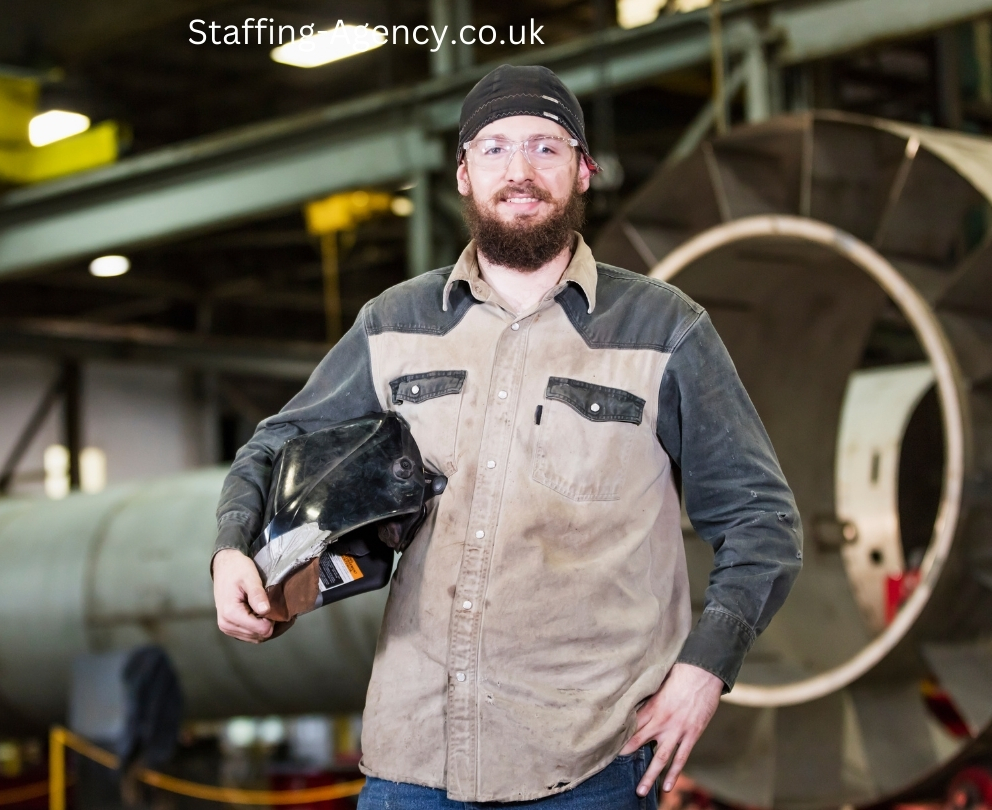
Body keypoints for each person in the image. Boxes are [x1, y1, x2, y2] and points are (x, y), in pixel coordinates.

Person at [211, 64, 801, 808]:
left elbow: (762, 520)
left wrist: (703, 673)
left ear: (584, 170)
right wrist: (233, 547)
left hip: (593, 766)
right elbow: (274, 446)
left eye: (546, 149)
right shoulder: (394, 324)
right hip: (413, 766)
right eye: (493, 149)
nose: (519, 172)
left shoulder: (666, 330)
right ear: (462, 174)